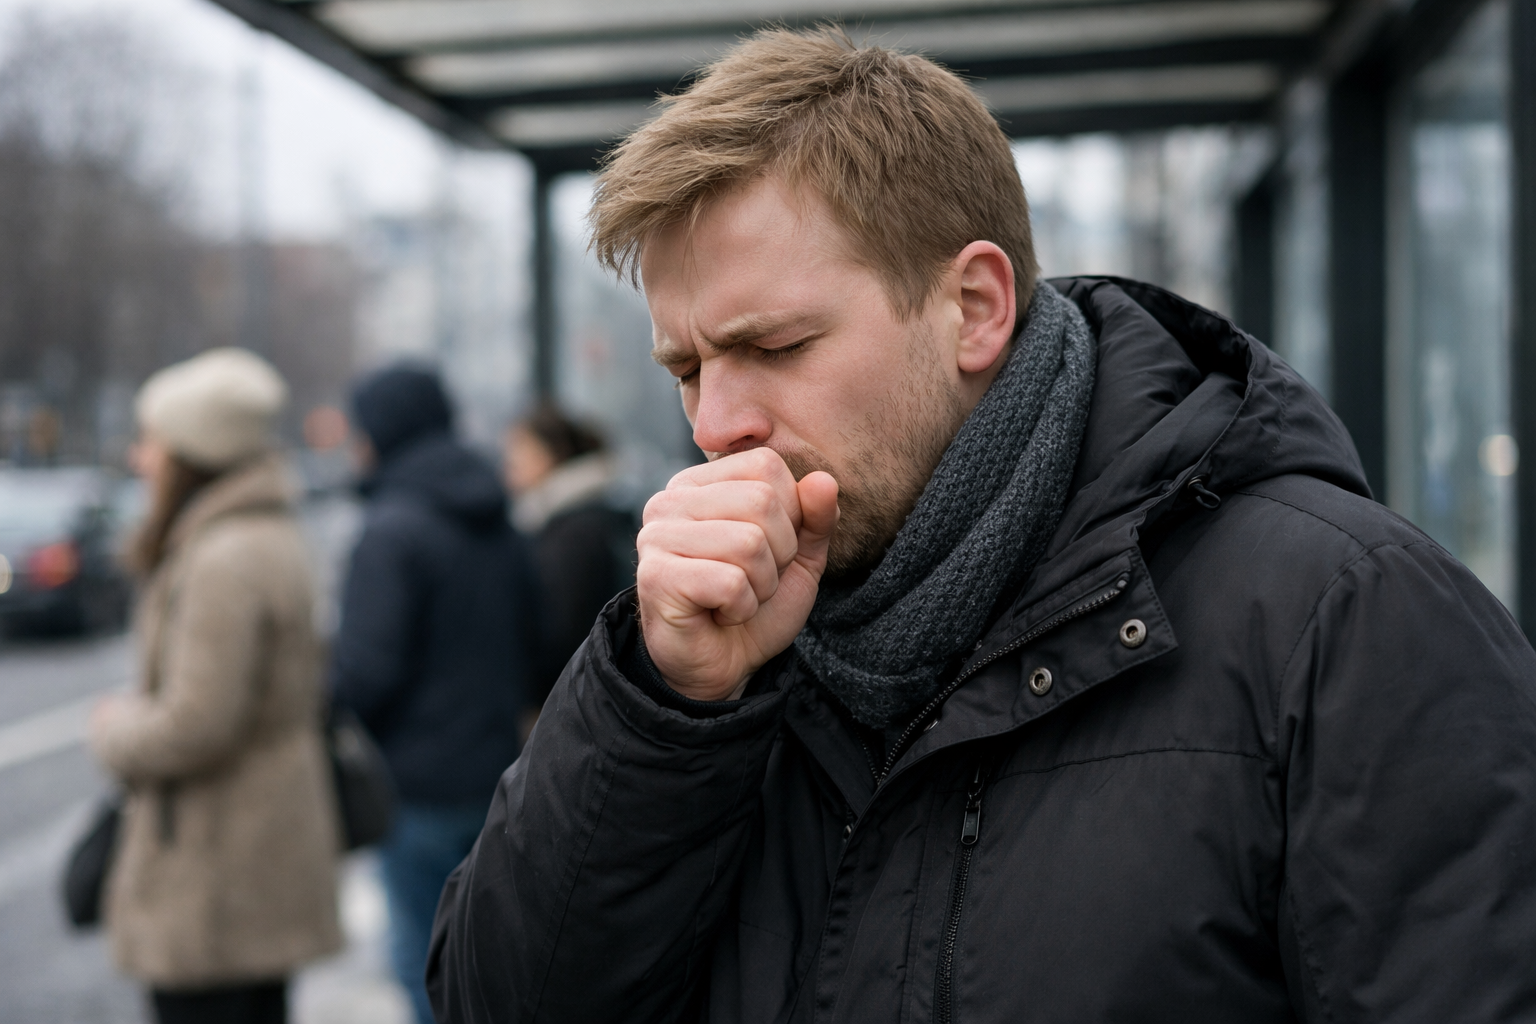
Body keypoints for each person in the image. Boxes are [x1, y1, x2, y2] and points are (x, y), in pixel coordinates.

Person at [428, 28, 1536, 1024]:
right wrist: (665, 708)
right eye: (686, 367)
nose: (719, 424)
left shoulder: (1343, 616)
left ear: (973, 309)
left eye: (773, 348)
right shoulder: (715, 656)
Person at [90, 347, 341, 1024]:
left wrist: (115, 729)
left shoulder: (222, 557)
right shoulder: (268, 533)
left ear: (189, 454)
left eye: (152, 442)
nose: (140, 458)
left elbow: (197, 723)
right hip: (261, 848)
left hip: (217, 866)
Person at [331, 363, 541, 1024]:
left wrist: (324, 705)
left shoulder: (391, 528)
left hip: (414, 784)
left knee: (422, 964)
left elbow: (366, 672)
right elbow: (535, 640)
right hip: (497, 773)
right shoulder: (497, 515)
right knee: (488, 964)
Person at [503, 403, 637, 723]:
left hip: (577, 701)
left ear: (548, 455)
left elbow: (563, 629)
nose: (508, 467)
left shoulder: (571, 530)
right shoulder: (586, 513)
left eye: (517, 454)